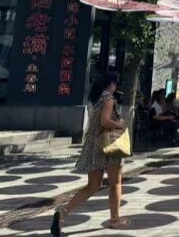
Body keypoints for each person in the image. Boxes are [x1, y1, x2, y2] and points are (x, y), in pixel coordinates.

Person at [50, 73, 130, 236]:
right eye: (116, 84)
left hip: (94, 145)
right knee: (115, 183)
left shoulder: (95, 99)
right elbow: (105, 121)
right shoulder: (108, 99)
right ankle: (115, 220)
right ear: (112, 84)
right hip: (109, 144)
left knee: (92, 185)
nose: (116, 87)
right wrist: (120, 124)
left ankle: (63, 212)